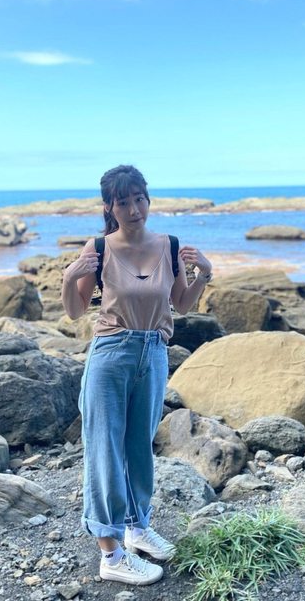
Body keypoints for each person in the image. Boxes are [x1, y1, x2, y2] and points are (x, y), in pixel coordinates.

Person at [61, 165, 212, 586]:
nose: (133, 209)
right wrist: (70, 277)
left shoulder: (169, 246)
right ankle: (110, 554)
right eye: (123, 202)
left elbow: (182, 304)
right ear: (109, 207)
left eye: (139, 199)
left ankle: (136, 527)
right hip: (111, 354)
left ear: (148, 199)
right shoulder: (99, 249)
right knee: (105, 449)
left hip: (155, 353)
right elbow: (74, 311)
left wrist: (203, 274)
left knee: (140, 448)